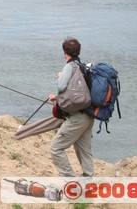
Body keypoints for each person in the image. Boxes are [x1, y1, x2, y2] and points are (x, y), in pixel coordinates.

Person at [47, 37, 95, 177]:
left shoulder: (69, 66)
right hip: (89, 115)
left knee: (56, 148)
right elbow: (79, 91)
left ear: (64, 53)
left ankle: (69, 180)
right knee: (84, 150)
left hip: (76, 117)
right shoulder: (83, 67)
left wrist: (59, 77)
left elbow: (62, 86)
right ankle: (88, 179)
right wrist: (58, 98)